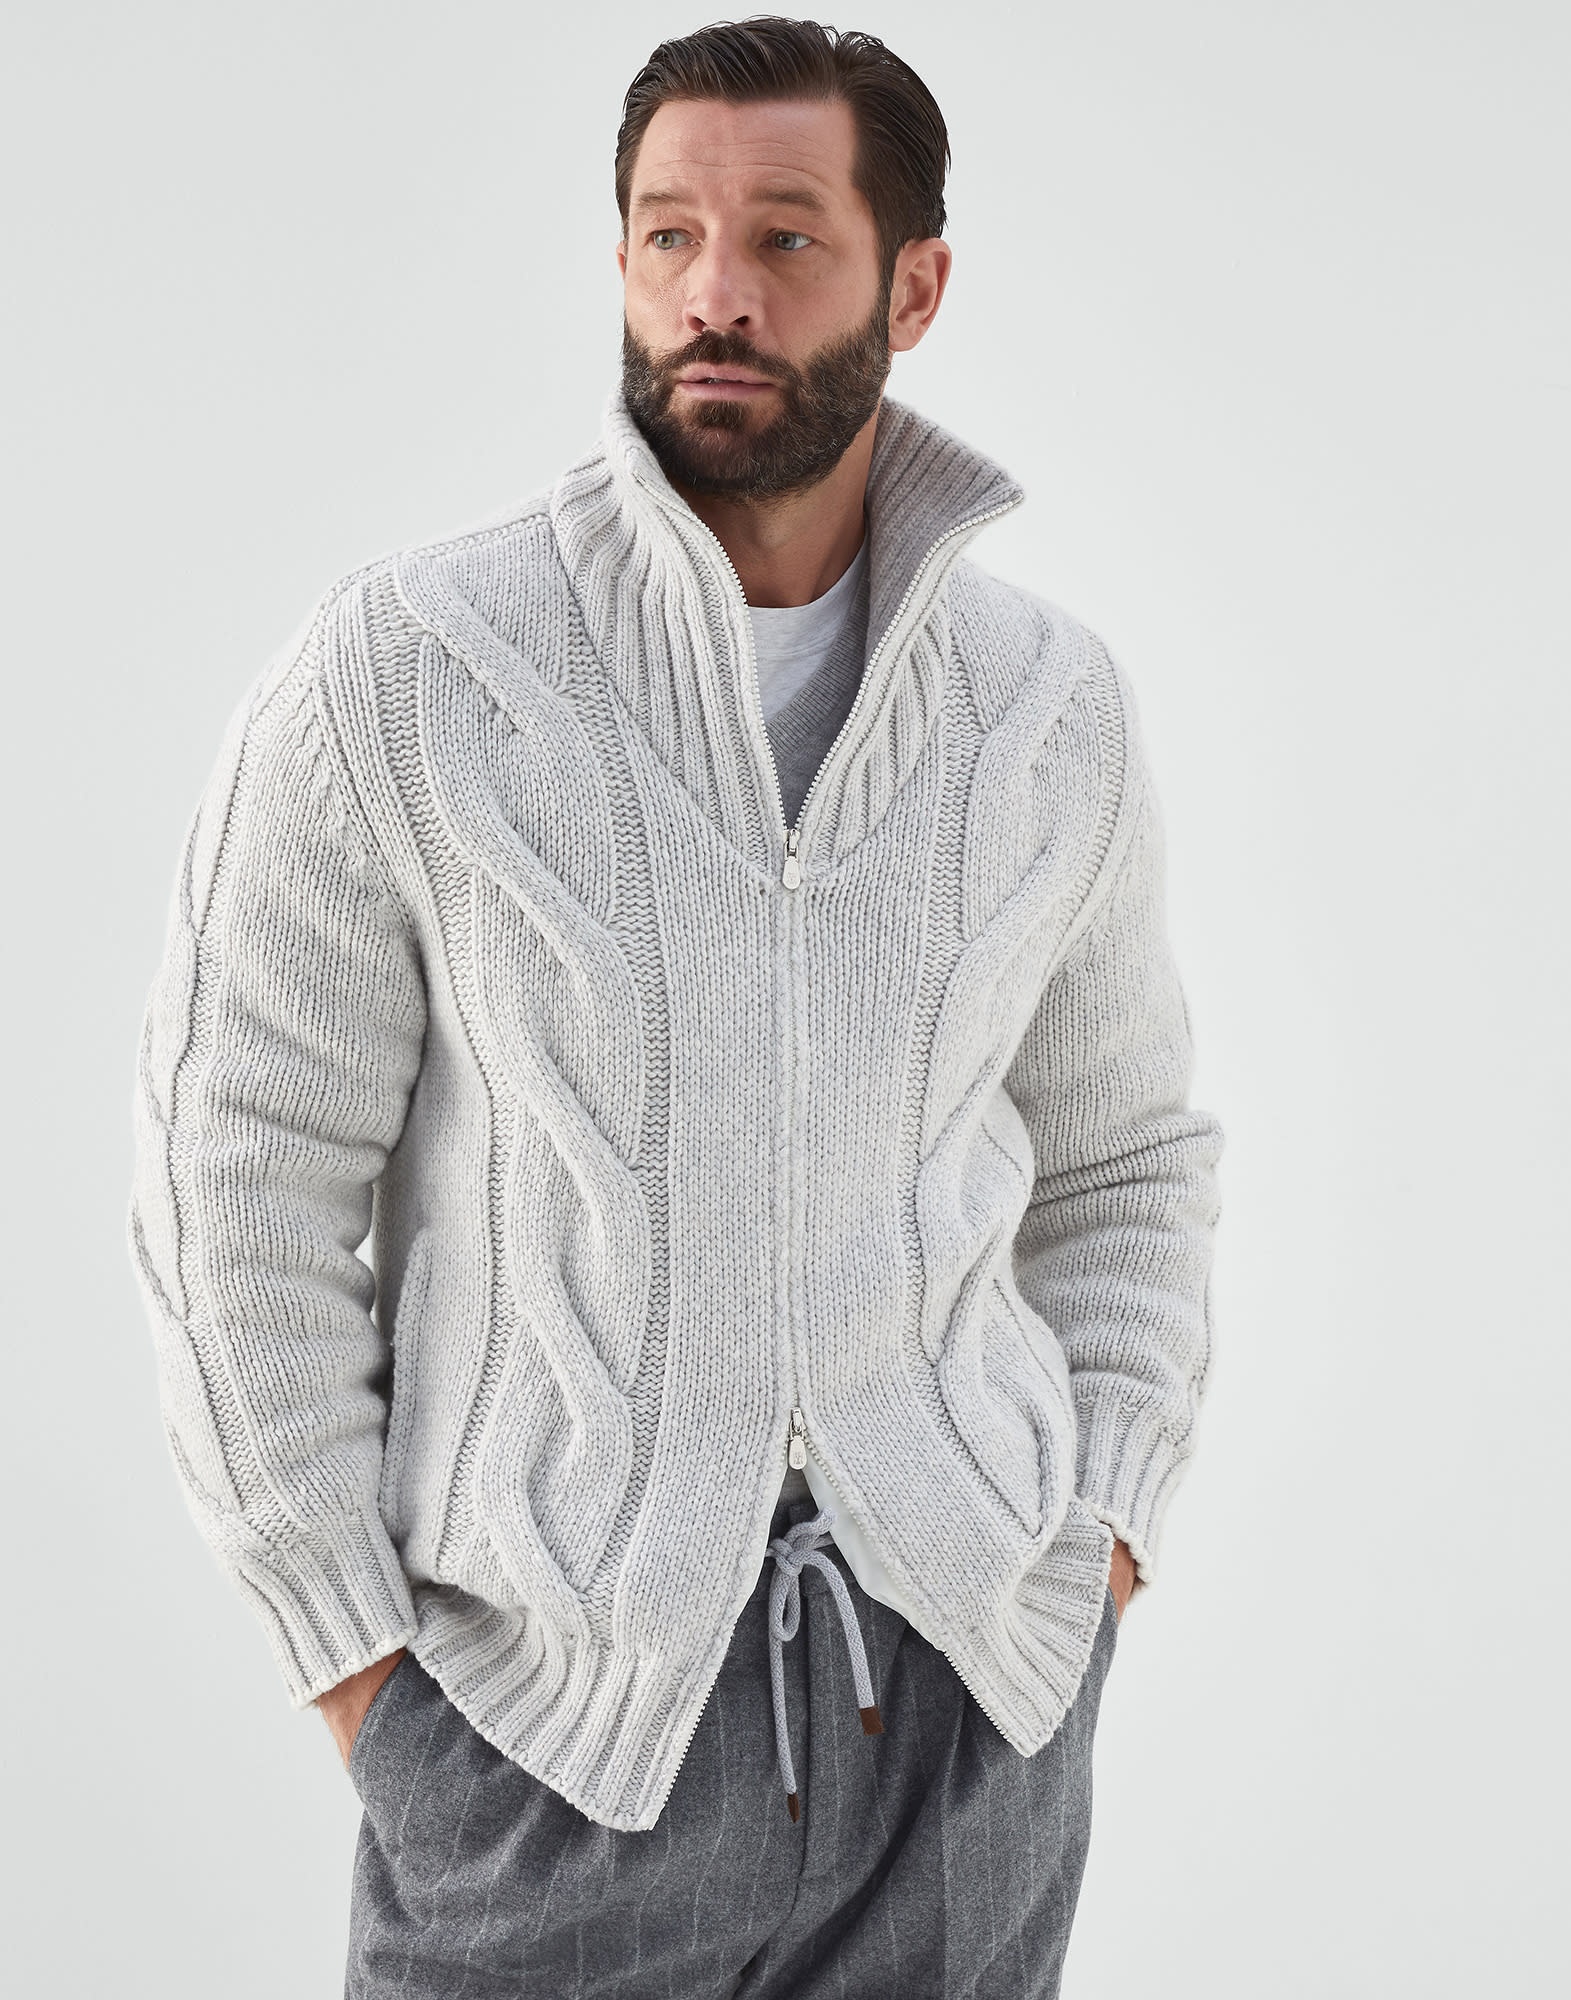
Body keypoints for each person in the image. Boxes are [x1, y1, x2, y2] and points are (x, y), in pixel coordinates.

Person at [127, 16, 1223, 1996]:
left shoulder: (1047, 710)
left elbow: (1126, 1158)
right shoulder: (410, 673)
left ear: (914, 287)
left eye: (786, 236)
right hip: (547, 1741)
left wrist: (1100, 1542)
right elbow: (238, 1175)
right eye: (668, 234)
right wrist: (362, 1669)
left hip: (966, 1712)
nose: (716, 290)